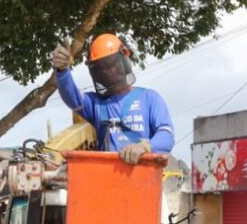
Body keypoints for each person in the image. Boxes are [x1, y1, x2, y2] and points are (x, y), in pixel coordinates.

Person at [51, 34, 175, 164]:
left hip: (143, 177)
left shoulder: (149, 98)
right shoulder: (96, 104)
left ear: (124, 58)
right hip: (108, 177)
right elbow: (72, 97)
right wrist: (62, 71)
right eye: (101, 68)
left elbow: (166, 135)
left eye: (111, 65)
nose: (107, 72)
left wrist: (145, 147)